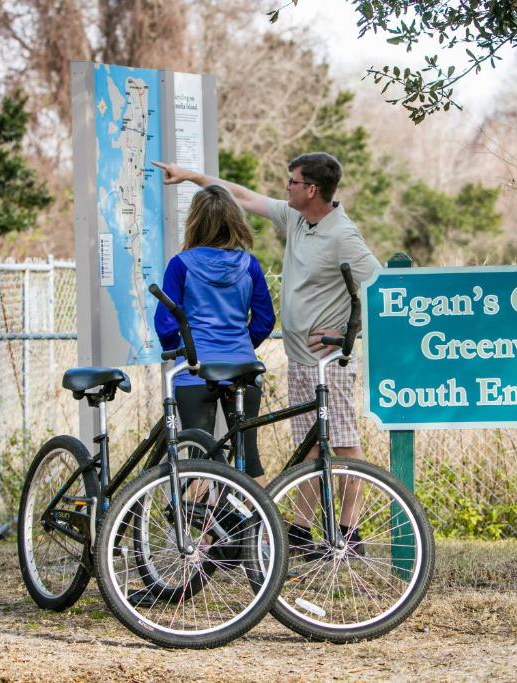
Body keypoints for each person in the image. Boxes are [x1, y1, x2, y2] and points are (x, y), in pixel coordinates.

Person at [151, 153, 381, 554]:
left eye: (291, 181)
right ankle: (295, 531)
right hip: (298, 358)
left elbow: (381, 287)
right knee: (308, 447)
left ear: (311, 189)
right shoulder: (296, 219)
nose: (285, 187)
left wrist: (348, 331)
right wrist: (190, 177)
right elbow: (242, 196)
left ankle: (349, 532)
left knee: (342, 444)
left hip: (329, 361)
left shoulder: (343, 235)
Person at [153, 184, 275, 483]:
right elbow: (264, 320)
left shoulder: (181, 265)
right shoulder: (250, 265)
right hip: (242, 369)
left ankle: (204, 529)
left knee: (199, 458)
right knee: (249, 457)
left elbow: (165, 323)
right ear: (235, 219)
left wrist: (181, 350)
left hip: (194, 369)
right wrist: (241, 346)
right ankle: (260, 527)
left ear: (195, 221)